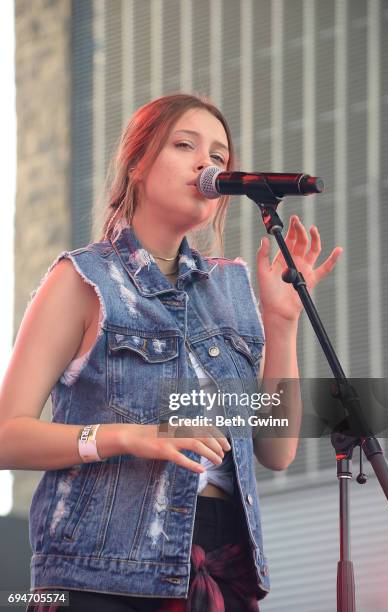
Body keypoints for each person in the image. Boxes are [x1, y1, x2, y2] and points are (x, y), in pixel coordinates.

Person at [0, 93, 342, 611]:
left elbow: (276, 451)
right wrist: (129, 436)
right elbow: (7, 436)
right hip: (99, 575)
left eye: (220, 157)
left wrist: (282, 323)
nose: (208, 164)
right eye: (186, 146)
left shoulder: (230, 289)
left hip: (218, 568)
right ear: (137, 163)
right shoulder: (82, 280)